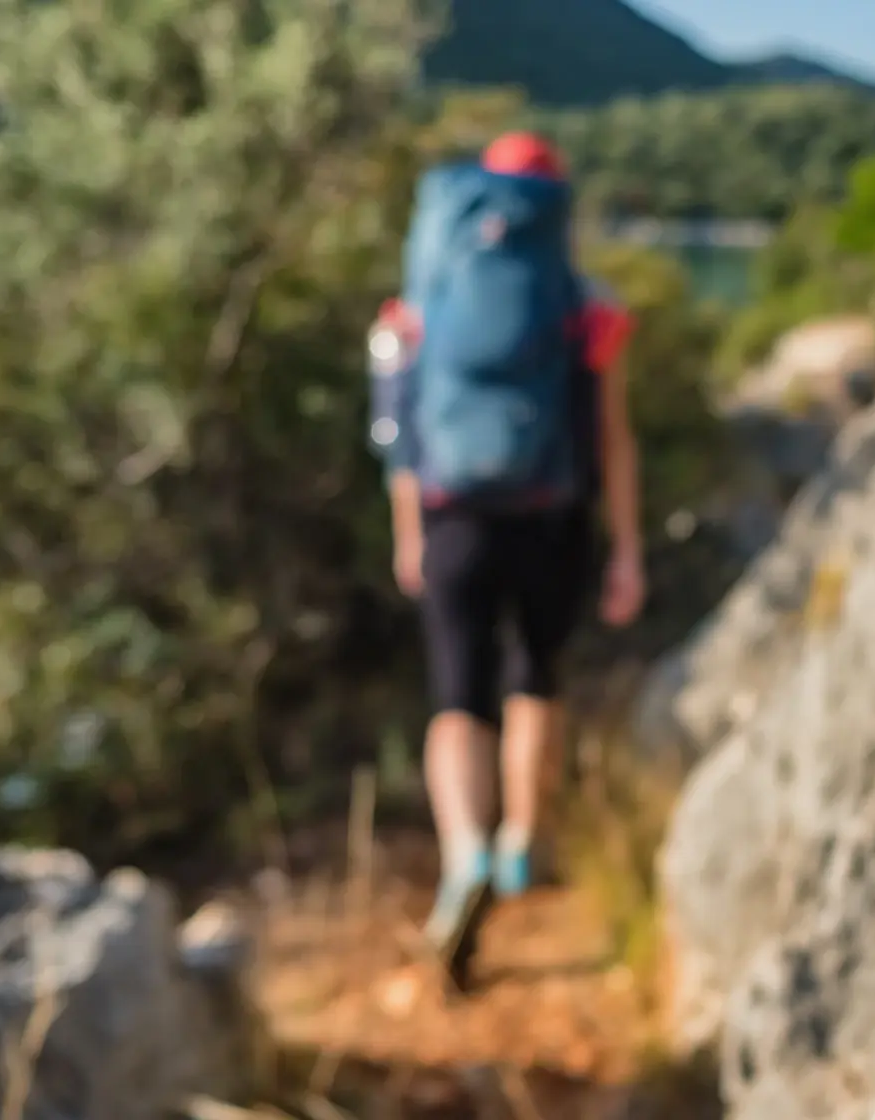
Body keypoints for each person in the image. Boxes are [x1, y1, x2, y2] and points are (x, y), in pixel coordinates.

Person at [367, 132, 645, 971]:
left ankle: (465, 853)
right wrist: (627, 549)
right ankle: (522, 839)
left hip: (450, 516)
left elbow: (397, 433)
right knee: (535, 677)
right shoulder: (588, 307)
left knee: (458, 694)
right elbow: (613, 438)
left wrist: (409, 533)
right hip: (551, 514)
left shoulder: (417, 305)